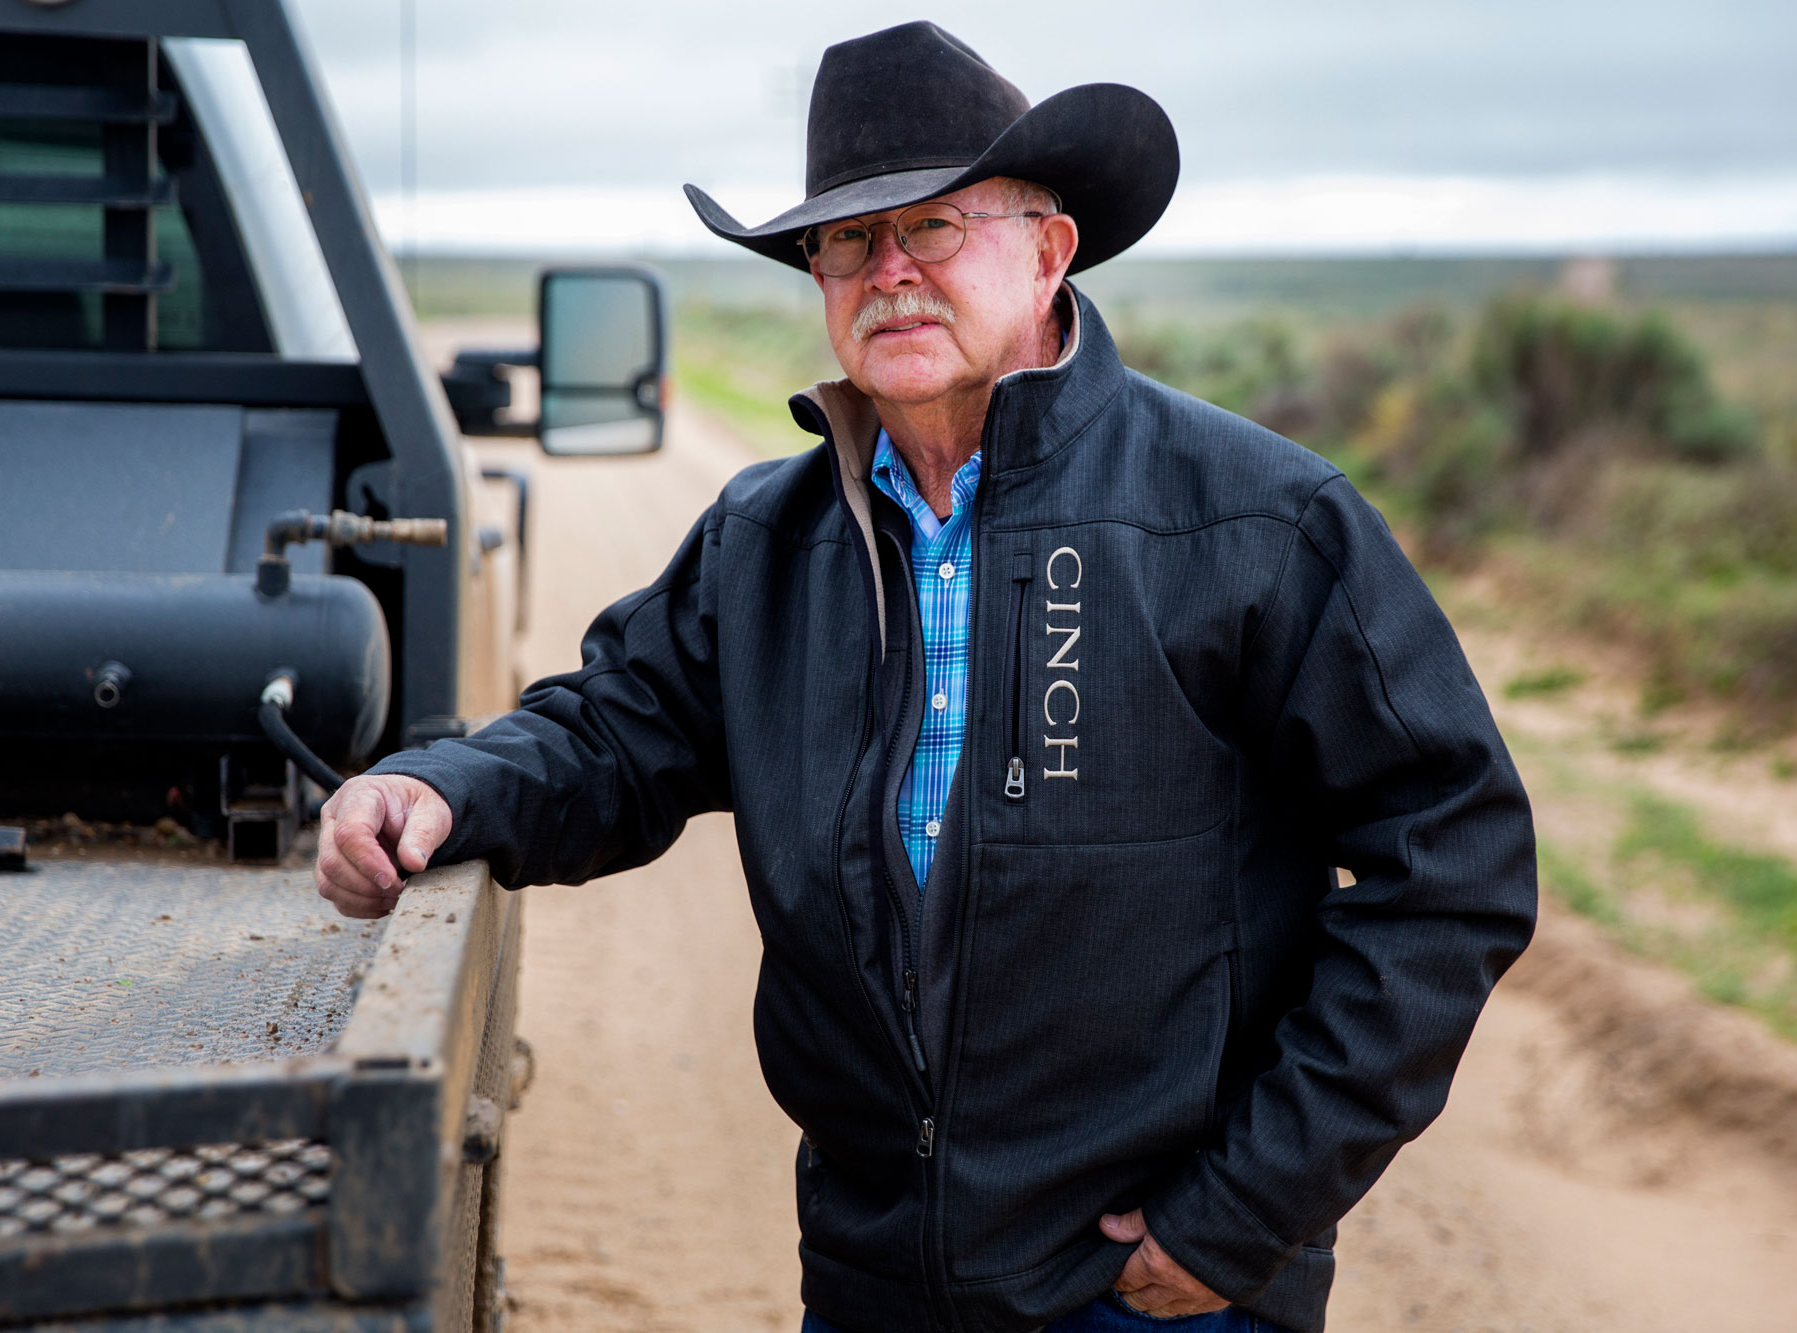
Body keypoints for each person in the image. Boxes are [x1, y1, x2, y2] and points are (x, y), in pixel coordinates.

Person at [315, 21, 1536, 1333]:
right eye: (847, 241)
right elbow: (615, 732)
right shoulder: (765, 541)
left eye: (936, 226)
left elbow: (1452, 857)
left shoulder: (1251, 521)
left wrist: (1242, 1212)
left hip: (1162, 1298)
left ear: (1049, 247)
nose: (887, 272)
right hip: (872, 1280)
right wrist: (441, 787)